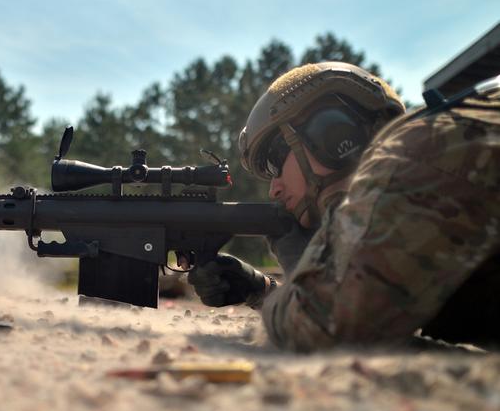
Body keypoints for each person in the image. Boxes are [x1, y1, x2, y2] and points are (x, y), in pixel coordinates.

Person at [188, 62, 500, 350]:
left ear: (332, 134)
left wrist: (299, 261)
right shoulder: (435, 147)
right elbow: (377, 310)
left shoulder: (414, 157)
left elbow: (326, 330)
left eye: (274, 163)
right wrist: (262, 291)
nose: (274, 188)